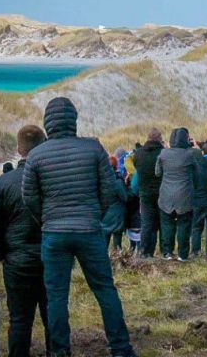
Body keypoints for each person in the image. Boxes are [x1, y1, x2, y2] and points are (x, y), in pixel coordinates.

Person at [22, 97, 136, 357]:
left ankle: (60, 351)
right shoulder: (93, 149)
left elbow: (29, 196)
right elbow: (109, 190)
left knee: (57, 297)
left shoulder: (37, 155)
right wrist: (95, 214)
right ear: (73, 121)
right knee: (105, 290)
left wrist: (46, 218)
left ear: (48, 123)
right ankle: (121, 349)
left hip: (53, 232)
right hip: (88, 229)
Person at [0, 125, 50, 357]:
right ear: (43, 145)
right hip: (49, 255)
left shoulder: (4, 183)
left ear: (18, 148)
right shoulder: (51, 181)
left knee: (20, 320)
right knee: (53, 315)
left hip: (17, 258)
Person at [155, 127, 195, 261]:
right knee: (184, 225)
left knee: (167, 224)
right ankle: (183, 255)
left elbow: (157, 173)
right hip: (184, 195)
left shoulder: (163, 154)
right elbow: (197, 174)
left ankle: (167, 252)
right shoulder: (189, 154)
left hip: (166, 194)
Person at [133, 128, 165, 258]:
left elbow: (137, 169)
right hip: (161, 193)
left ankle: (145, 251)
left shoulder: (139, 154)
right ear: (159, 138)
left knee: (147, 224)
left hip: (145, 193)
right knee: (163, 223)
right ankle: (165, 251)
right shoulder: (163, 153)